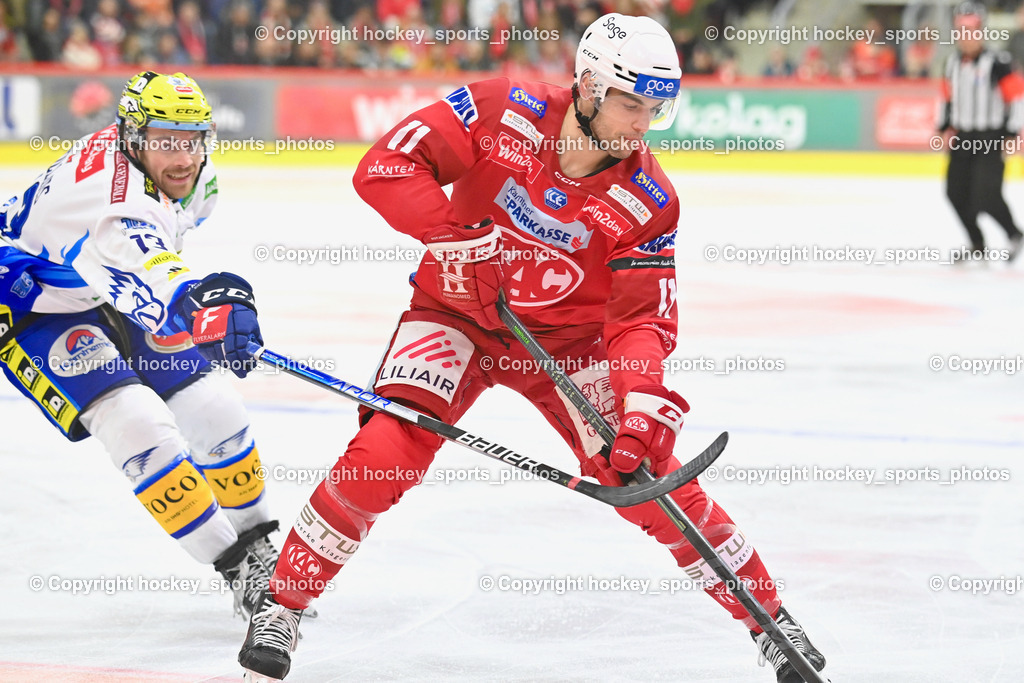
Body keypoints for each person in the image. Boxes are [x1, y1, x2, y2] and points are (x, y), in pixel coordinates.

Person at [238, 14, 827, 683]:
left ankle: (770, 620)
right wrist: (454, 236)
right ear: (589, 86)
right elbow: (385, 167)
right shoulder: (501, 109)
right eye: (632, 104)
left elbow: (639, 321)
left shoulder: (649, 199)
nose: (644, 125)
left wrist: (641, 400)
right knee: (383, 455)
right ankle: (281, 605)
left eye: (657, 110)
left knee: (648, 481)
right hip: (454, 314)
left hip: (569, 346)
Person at [0, 71, 277, 618]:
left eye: (192, 139)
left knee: (213, 406)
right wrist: (199, 304)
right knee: (135, 423)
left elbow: (149, 255)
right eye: (165, 141)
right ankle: (237, 569)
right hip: (27, 301)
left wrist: (195, 310)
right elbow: (147, 256)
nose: (183, 158)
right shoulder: (115, 204)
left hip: (92, 280)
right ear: (132, 137)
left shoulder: (195, 178)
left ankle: (261, 546)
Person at [938, 2, 1024, 264]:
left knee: (985, 194)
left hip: (991, 137)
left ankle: (1014, 234)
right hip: (963, 137)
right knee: (955, 192)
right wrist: (943, 127)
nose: (966, 37)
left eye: (971, 31)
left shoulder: (997, 62)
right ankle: (977, 243)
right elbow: (947, 98)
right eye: (961, 31)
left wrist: (1012, 133)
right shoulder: (951, 63)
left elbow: (1017, 98)